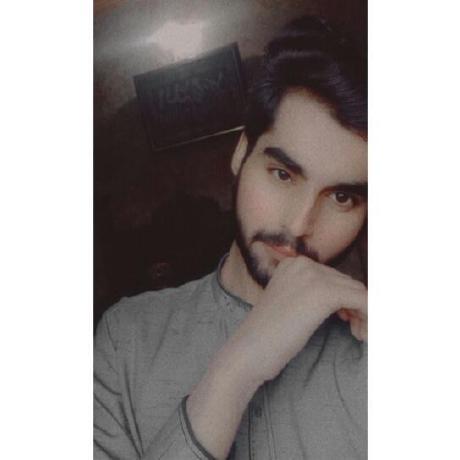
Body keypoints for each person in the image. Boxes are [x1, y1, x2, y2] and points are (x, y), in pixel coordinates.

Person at [94, 15, 368, 460]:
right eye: (282, 174)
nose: (299, 224)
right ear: (242, 153)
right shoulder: (127, 337)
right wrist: (239, 366)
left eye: (341, 197)